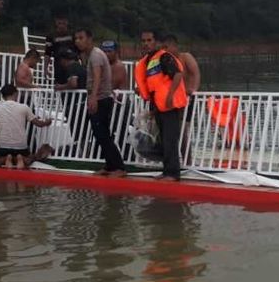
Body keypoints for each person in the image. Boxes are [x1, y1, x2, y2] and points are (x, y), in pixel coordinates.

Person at [135, 30, 188, 181]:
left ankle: (173, 173)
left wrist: (171, 96)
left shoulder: (163, 57)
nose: (146, 43)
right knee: (163, 139)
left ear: (156, 42)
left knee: (170, 139)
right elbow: (153, 86)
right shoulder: (148, 60)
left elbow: (177, 75)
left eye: (149, 40)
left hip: (170, 105)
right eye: (143, 41)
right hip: (159, 106)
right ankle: (167, 171)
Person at [75, 28, 126, 177]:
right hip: (101, 97)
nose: (78, 41)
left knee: (103, 134)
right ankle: (110, 165)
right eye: (76, 38)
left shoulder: (96, 55)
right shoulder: (92, 55)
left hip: (101, 99)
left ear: (89, 38)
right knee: (100, 134)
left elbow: (97, 77)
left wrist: (93, 98)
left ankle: (119, 167)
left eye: (81, 37)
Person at [0, 84, 52, 169]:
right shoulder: (24, 107)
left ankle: (6, 159)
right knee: (29, 158)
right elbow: (39, 124)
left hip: (2, 147)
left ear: (3, 96)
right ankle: (21, 158)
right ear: (15, 94)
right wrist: (47, 122)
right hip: (21, 147)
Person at [163, 34, 200, 162]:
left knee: (183, 129)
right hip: (173, 99)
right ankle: (172, 158)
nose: (165, 50)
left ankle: (187, 159)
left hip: (187, 99)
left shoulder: (185, 57)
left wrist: (193, 89)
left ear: (174, 46)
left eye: (167, 47)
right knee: (174, 130)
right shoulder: (167, 61)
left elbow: (196, 74)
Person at [45, 15, 77, 85]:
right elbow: (47, 53)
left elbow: (80, 50)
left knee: (73, 83)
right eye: (60, 23)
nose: (62, 26)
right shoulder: (51, 36)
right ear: (56, 23)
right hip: (59, 64)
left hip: (72, 63)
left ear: (67, 23)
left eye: (63, 23)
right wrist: (45, 69)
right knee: (60, 84)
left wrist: (83, 65)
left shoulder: (73, 34)